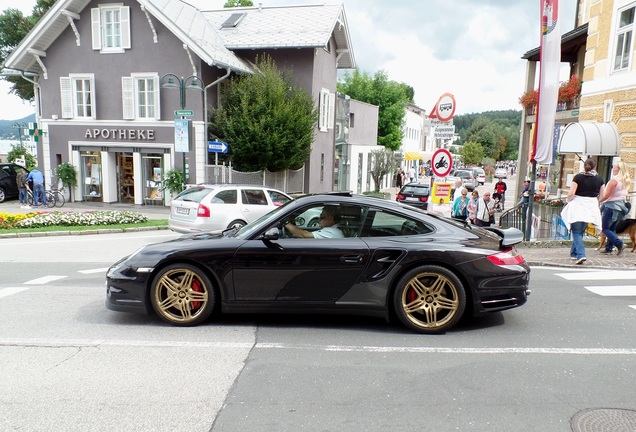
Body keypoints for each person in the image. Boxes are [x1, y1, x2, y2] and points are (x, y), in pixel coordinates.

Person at [560, 158, 605, 265]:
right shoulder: (599, 179)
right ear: (595, 167)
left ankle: (581, 255)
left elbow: (571, 193)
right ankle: (574, 253)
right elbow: (602, 195)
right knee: (580, 231)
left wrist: (568, 201)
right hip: (591, 207)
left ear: (584, 166)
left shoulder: (578, 177)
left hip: (578, 205)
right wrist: (596, 202)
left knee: (576, 231)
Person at [598, 161, 631, 256]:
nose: (612, 169)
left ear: (619, 169)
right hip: (621, 207)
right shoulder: (626, 181)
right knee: (612, 228)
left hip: (610, 206)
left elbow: (607, 195)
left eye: (614, 167)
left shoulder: (613, 181)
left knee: (604, 228)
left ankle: (619, 244)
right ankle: (609, 248)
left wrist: (599, 200)